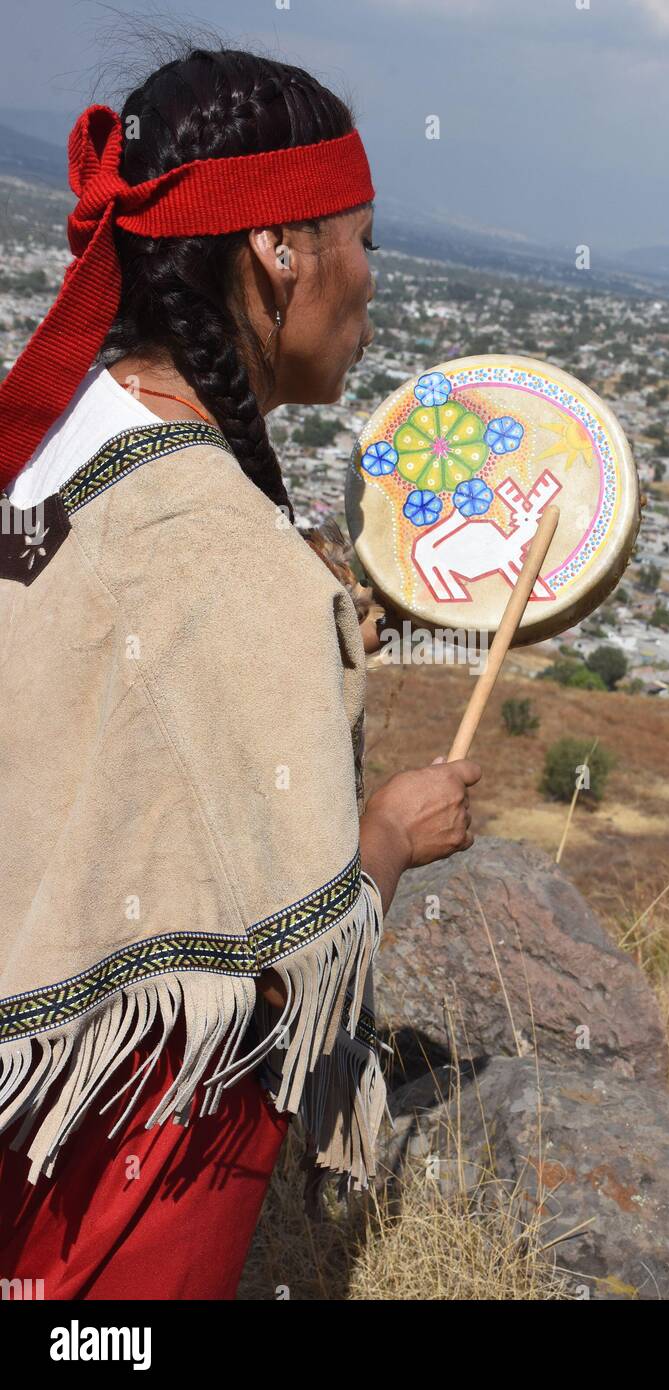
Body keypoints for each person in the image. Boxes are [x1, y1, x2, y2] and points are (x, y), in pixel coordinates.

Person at [0, 46, 480, 1300]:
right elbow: (279, 969)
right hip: (102, 1192)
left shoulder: (53, 439)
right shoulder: (237, 564)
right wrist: (384, 837)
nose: (373, 280)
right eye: (362, 238)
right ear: (279, 250)